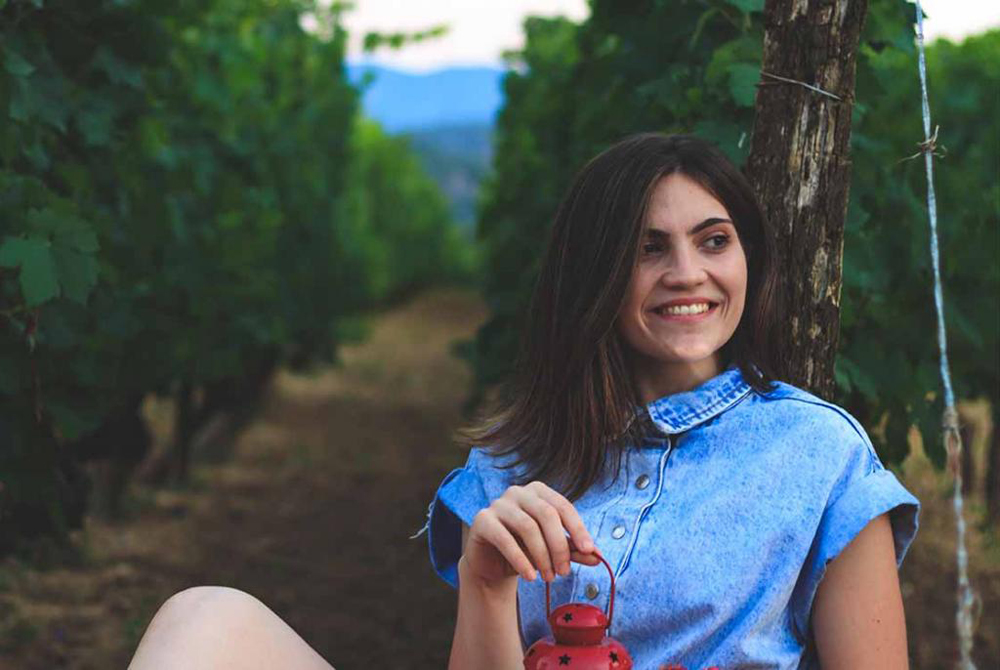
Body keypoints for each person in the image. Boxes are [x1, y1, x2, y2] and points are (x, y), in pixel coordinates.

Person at [420, 133, 920, 669]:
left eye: (714, 241)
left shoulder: (823, 455)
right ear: (595, 273)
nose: (686, 274)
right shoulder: (506, 467)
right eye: (648, 248)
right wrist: (486, 587)